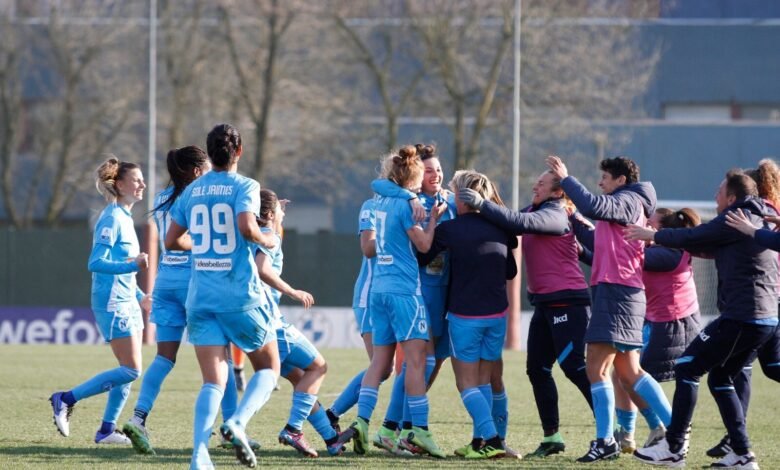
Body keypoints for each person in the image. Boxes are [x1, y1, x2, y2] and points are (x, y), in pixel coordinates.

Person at [628, 169, 778, 469]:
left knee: (686, 367)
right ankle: (742, 455)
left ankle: (673, 447)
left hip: (743, 316)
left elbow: (696, 235)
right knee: (721, 378)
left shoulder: (735, 217)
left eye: (719, 190)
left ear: (732, 197)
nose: (715, 195)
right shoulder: (757, 216)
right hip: (764, 318)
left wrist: (653, 235)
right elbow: (707, 245)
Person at [165, 123, 278, 469]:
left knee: (213, 381)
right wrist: (268, 239)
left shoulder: (193, 190)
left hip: (200, 298)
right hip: (238, 295)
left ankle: (199, 455)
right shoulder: (246, 185)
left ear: (209, 153)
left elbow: (171, 241)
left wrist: (199, 244)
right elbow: (246, 227)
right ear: (239, 152)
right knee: (269, 366)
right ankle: (237, 423)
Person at [459, 169, 594, 458]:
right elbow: (509, 223)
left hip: (569, 303)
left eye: (542, 183)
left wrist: (482, 204)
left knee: (573, 367)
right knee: (538, 370)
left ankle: (610, 432)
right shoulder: (537, 209)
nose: (536, 185)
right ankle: (552, 437)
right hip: (546, 305)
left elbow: (519, 222)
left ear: (558, 192)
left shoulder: (556, 213)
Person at [546, 155, 672, 463]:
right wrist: (574, 221)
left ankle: (605, 441)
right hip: (622, 292)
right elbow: (598, 234)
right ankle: (675, 429)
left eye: (604, 177)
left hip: (617, 292)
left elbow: (594, 207)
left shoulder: (628, 199)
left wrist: (566, 179)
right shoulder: (628, 202)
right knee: (628, 370)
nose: (600, 183)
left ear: (620, 180)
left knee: (596, 368)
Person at [347, 145, 446, 458]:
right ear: (412, 178)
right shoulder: (408, 206)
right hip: (405, 291)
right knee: (417, 362)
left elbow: (370, 243)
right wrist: (434, 220)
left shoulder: (375, 203)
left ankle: (362, 421)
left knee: (379, 361)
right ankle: (421, 431)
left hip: (379, 290)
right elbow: (425, 244)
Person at [50, 156, 150, 445]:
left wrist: (142, 297)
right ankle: (65, 399)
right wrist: (134, 266)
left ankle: (106, 429)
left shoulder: (127, 219)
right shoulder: (111, 217)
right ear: (119, 185)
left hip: (127, 300)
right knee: (131, 369)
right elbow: (95, 262)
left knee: (127, 373)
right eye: (136, 179)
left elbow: (123, 264)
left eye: (142, 179)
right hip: (111, 302)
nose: (142, 183)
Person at [418, 170, 517, 459]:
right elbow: (510, 270)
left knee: (465, 383)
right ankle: (480, 444)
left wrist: (433, 221)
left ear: (462, 198)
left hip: (465, 317)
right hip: (497, 315)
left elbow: (423, 256)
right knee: (484, 380)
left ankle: (492, 439)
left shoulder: (451, 230)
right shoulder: (500, 227)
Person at [250, 189, 352, 457]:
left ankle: (331, 439)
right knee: (318, 367)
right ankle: (293, 429)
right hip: (270, 322)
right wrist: (293, 291)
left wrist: (275, 214)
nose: (285, 212)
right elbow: (262, 268)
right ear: (270, 215)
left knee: (301, 380)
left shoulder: (254, 234)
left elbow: (269, 234)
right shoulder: (270, 236)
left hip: (252, 322)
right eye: (280, 210)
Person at [610, 208, 702, 454]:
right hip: (654, 322)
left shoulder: (668, 254)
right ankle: (629, 434)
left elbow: (625, 258)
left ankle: (672, 429)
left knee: (631, 375)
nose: (642, 226)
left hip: (673, 326)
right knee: (620, 373)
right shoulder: (658, 250)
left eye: (648, 224)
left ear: (660, 231)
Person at [706, 159, 780, 459]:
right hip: (769, 299)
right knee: (767, 366)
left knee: (730, 371)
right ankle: (735, 440)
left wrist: (752, 231)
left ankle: (736, 442)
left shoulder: (758, 212)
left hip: (765, 300)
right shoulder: (770, 210)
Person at [325, 196, 379, 430]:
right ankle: (333, 414)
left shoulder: (415, 204)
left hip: (398, 295)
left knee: (393, 366)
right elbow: (368, 248)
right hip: (371, 297)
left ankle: (333, 415)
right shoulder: (372, 205)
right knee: (382, 365)